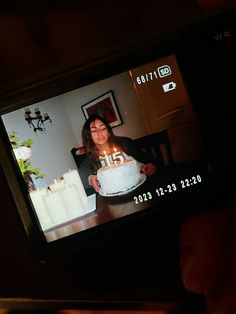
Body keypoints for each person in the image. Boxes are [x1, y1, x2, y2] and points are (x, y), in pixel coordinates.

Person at [79, 114, 156, 193]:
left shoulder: (126, 143)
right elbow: (81, 177)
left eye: (103, 128)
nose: (100, 133)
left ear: (108, 132)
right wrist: (90, 179)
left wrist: (151, 166)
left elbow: (150, 160)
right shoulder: (90, 160)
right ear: (88, 136)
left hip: (144, 188)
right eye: (94, 130)